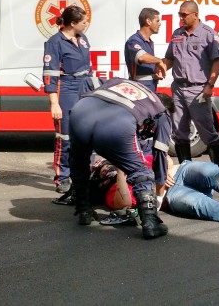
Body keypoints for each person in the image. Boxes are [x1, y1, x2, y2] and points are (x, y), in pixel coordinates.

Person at [68, 77, 170, 240]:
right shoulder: (161, 112)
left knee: (79, 161)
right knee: (142, 172)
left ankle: (83, 211)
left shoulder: (124, 83)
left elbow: (89, 80)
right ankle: (150, 222)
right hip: (116, 122)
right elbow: (160, 153)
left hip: (80, 111)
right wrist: (159, 188)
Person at [163, 1, 219, 167]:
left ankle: (218, 172)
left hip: (198, 90)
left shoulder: (208, 34)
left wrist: (210, 85)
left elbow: (217, 61)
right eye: (179, 14)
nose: (181, 18)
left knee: (207, 132)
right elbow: (169, 58)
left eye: (184, 14)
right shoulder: (177, 34)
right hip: (178, 89)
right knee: (179, 132)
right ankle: (186, 171)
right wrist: (160, 67)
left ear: (195, 15)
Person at [42, 5, 93, 194]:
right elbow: (49, 76)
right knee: (65, 137)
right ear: (72, 23)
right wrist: (54, 103)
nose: (87, 24)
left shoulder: (83, 39)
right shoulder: (55, 42)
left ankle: (82, 174)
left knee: (86, 135)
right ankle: (62, 177)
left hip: (85, 88)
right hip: (67, 89)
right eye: (84, 22)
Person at [125, 7, 166, 93]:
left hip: (150, 88)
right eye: (157, 21)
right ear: (148, 21)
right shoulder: (134, 40)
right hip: (139, 90)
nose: (160, 24)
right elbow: (141, 57)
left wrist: (155, 73)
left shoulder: (149, 42)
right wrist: (158, 61)